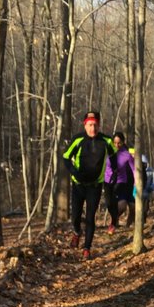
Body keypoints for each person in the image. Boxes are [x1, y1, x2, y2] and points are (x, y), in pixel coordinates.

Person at [62, 111, 117, 259]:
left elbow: (114, 157)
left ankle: (87, 248)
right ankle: (76, 232)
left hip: (95, 185)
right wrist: (73, 171)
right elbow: (66, 157)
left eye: (96, 125)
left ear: (99, 125)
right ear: (85, 125)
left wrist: (114, 173)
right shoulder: (78, 139)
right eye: (90, 125)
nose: (93, 128)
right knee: (75, 216)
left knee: (91, 216)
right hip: (78, 184)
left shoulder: (106, 140)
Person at [104, 132, 135, 234]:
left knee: (122, 204)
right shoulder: (108, 151)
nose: (117, 145)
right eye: (115, 143)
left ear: (123, 142)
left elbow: (134, 169)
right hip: (108, 181)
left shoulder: (127, 155)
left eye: (119, 143)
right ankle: (114, 219)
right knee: (109, 203)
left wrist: (136, 182)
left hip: (121, 181)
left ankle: (113, 223)